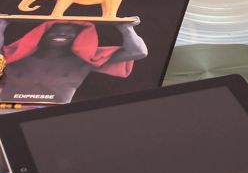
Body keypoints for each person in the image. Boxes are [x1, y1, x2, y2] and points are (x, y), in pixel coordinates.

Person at [0, 18, 148, 104]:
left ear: (78, 36)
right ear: (42, 33)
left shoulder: (84, 61)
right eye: (56, 30)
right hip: (7, 109)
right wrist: (2, 25)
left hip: (54, 114)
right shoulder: (14, 57)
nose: (62, 34)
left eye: (69, 31)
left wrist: (126, 28)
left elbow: (138, 52)